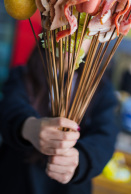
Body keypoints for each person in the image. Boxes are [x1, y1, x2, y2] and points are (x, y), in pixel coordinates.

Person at [0, 43, 119, 194]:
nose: (73, 37)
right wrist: (29, 127)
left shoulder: (102, 89)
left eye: (86, 31)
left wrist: (79, 159)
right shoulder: (23, 75)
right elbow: (9, 108)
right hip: (16, 179)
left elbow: (105, 137)